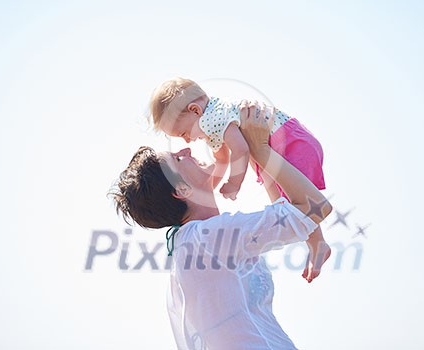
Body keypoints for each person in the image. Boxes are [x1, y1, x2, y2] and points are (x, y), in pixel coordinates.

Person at [111, 102, 332, 349]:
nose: (185, 150)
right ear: (181, 190)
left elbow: (291, 210)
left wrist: (258, 152)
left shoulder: (201, 240)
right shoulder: (202, 239)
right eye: (176, 159)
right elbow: (314, 207)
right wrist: (259, 150)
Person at [149, 77, 330, 281]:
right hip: (283, 145)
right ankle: (317, 243)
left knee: (294, 206)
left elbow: (241, 150)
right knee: (281, 204)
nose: (187, 141)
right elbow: (222, 159)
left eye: (183, 133)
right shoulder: (214, 121)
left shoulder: (213, 120)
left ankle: (317, 244)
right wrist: (210, 186)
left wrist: (234, 184)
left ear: (195, 111)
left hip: (290, 145)